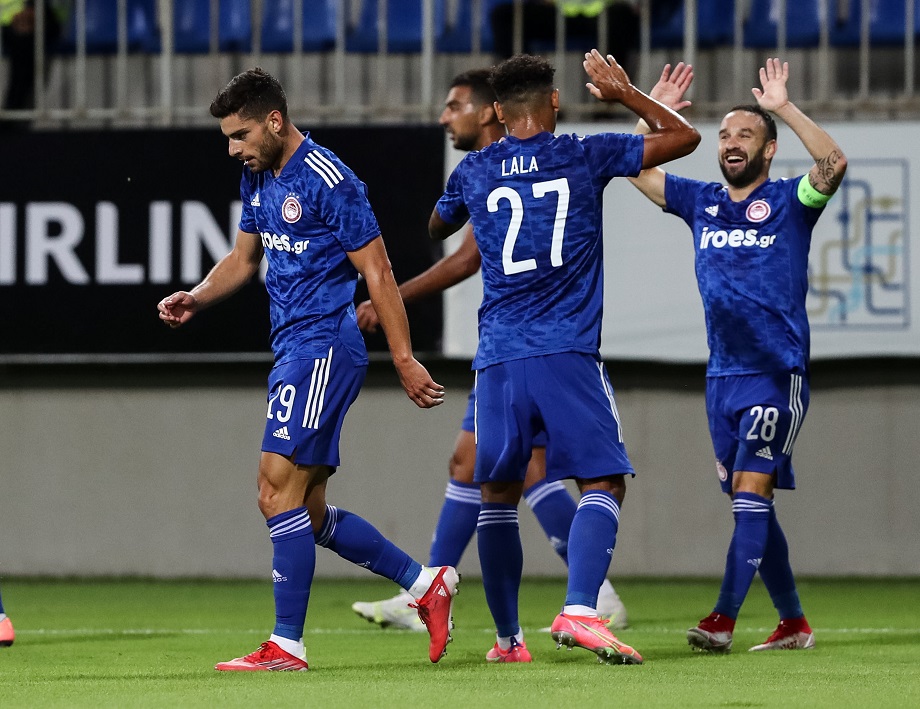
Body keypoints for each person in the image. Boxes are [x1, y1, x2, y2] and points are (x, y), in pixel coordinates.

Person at [157, 67, 458, 671]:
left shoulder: (329, 178)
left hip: (323, 347)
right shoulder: (258, 175)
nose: (233, 149)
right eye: (228, 138)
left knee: (274, 489)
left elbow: (378, 271)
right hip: (294, 348)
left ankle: (287, 644)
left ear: (274, 121)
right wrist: (198, 296)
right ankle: (425, 584)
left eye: (240, 135)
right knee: (307, 511)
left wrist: (403, 358)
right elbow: (243, 260)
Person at [429, 51, 700, 664]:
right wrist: (627, 94)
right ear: (554, 101)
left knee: (496, 494)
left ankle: (507, 641)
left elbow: (437, 226)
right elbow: (684, 138)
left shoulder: (473, 170)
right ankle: (580, 609)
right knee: (602, 480)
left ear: (497, 112)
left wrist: (478, 191)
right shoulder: (584, 153)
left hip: (497, 358)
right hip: (566, 349)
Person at [350, 68, 630, 638]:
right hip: (525, 346)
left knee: (517, 473)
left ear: (490, 112)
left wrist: (392, 297)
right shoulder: (510, 165)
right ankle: (435, 591)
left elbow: (462, 257)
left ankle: (586, 598)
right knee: (473, 464)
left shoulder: (489, 168)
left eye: (454, 106)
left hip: (519, 346)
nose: (444, 117)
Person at [629, 58, 847, 653]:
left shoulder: (791, 201)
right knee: (752, 502)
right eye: (725, 134)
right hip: (722, 377)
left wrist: (783, 108)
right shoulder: (700, 201)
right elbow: (632, 167)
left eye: (745, 134)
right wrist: (652, 110)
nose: (731, 142)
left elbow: (833, 163)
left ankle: (722, 620)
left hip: (777, 372)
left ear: (769, 150)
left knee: (751, 493)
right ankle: (794, 623)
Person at [491, 1, 640, 74]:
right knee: (505, 16)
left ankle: (610, 98)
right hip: (556, 11)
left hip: (604, 13)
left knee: (622, 17)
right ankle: (524, 90)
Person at [0, 0, 63, 128]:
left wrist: (32, 12)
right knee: (23, 41)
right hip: (13, 26)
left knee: (24, 41)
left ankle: (12, 113)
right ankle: (13, 113)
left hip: (38, 21)